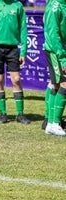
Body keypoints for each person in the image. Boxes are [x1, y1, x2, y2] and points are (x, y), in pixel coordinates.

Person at [0, 0, 31, 124]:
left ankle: (20, 114)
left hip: (13, 49)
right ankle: (3, 114)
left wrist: (23, 51)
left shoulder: (18, 5)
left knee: (16, 79)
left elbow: (23, 29)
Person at [42, 0, 66, 136]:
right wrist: (62, 58)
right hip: (56, 51)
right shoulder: (55, 7)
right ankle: (54, 123)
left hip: (61, 50)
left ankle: (50, 123)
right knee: (63, 84)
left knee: (55, 84)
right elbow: (53, 35)